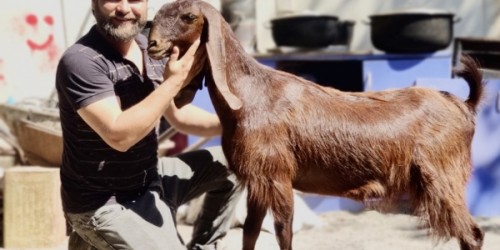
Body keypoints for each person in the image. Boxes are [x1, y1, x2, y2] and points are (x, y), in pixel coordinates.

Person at [55, 0, 242, 249]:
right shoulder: (82, 61)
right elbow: (119, 135)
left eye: (134, 0)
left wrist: (238, 124)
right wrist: (174, 82)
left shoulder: (148, 47)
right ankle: (92, 235)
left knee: (239, 160)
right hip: (104, 203)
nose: (124, 8)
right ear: (94, 4)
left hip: (151, 180)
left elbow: (180, 118)